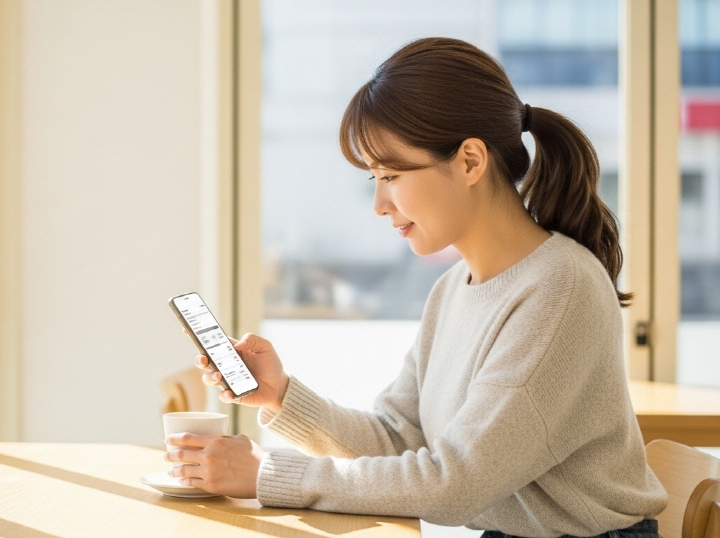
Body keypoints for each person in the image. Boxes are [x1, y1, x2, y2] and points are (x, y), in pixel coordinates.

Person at [165, 37, 667, 538]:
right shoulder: (453, 290)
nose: (380, 204)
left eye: (390, 174)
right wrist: (280, 395)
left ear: (471, 161)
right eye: (374, 179)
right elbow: (400, 440)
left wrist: (268, 474)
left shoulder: (561, 286)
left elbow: (455, 483)